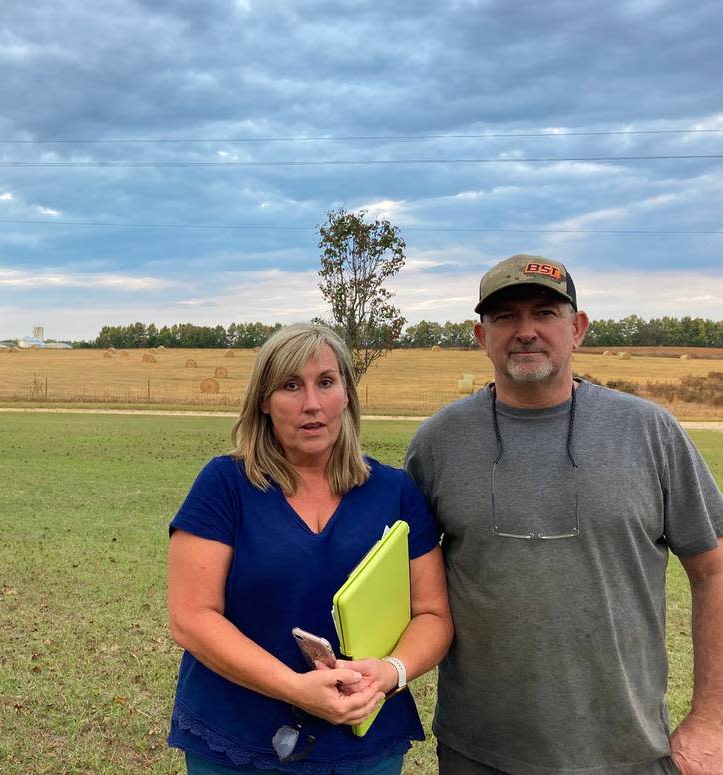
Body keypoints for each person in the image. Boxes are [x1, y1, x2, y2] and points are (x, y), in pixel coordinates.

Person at [404, 253, 723, 775]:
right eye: (505, 317)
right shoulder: (438, 443)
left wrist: (712, 719)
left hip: (629, 751)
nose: (525, 331)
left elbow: (714, 570)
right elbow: (408, 584)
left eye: (545, 313)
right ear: (480, 337)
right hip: (478, 751)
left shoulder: (648, 432)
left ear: (577, 329)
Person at [167, 322, 453, 774]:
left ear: (346, 395)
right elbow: (191, 618)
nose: (311, 404)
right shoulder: (224, 486)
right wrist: (295, 688)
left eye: (325, 382)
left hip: (363, 744)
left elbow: (433, 614)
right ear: (264, 401)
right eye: (290, 386)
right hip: (238, 739)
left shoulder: (394, 492)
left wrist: (391, 672)